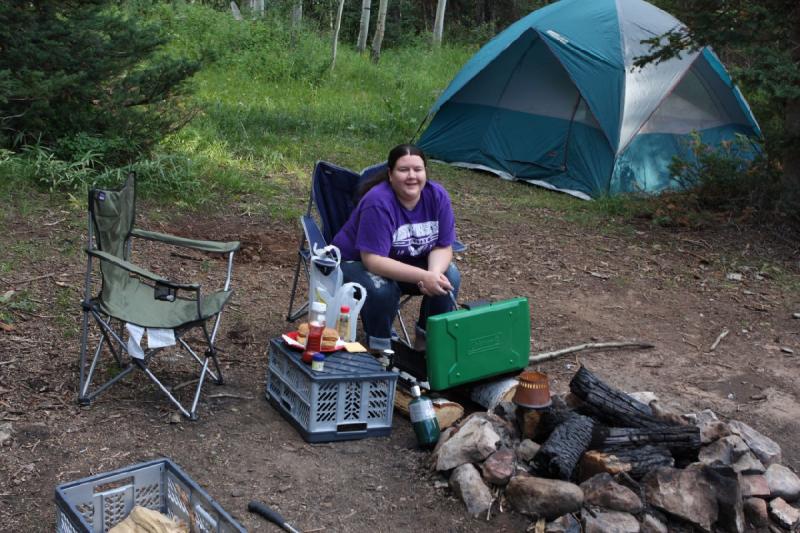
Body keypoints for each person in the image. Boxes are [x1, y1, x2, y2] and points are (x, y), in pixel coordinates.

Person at [332, 144, 460, 352]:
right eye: (403, 170)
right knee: (383, 289)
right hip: (354, 263)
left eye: (418, 169)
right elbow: (373, 260)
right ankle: (382, 348)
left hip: (404, 261)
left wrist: (433, 275)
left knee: (449, 277)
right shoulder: (379, 202)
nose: (412, 176)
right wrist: (422, 275)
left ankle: (426, 347)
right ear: (390, 175)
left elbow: (443, 246)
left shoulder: (437, 197)